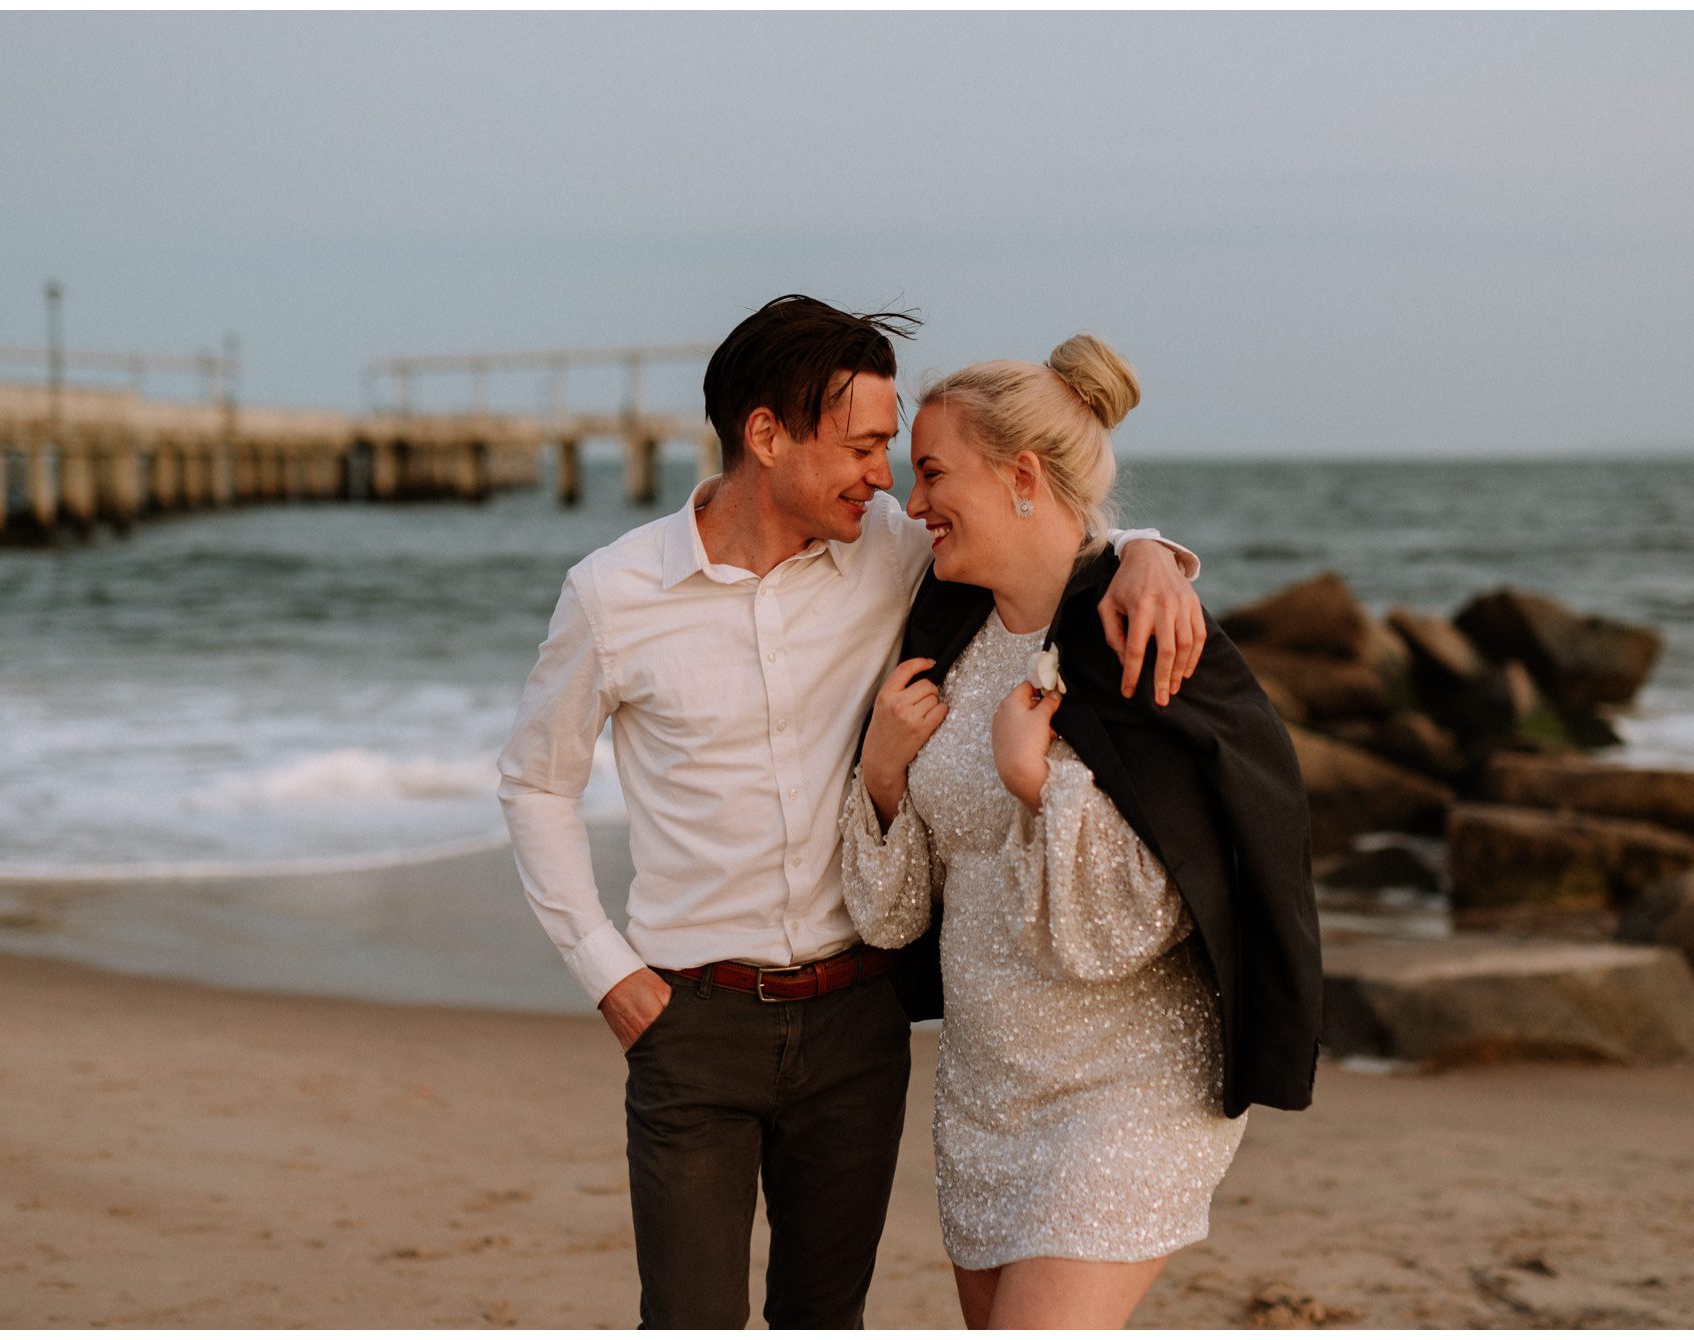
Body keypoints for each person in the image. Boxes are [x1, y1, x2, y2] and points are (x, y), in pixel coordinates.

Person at [496, 296, 1213, 1328]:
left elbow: (1039, 538)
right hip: (690, 1019)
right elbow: (536, 783)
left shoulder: (892, 548)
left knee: (825, 1315)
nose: (887, 478)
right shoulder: (613, 593)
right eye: (865, 446)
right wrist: (606, 971)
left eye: (893, 450)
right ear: (766, 435)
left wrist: (1148, 550)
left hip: (855, 1021)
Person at [842, 334, 1320, 1329]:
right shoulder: (946, 627)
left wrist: (1036, 781)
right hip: (983, 1095)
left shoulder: (1141, 633)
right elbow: (892, 919)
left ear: (1021, 475)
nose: (913, 502)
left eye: (933, 472)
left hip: (1129, 1086)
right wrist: (882, 775)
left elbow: (1138, 918)